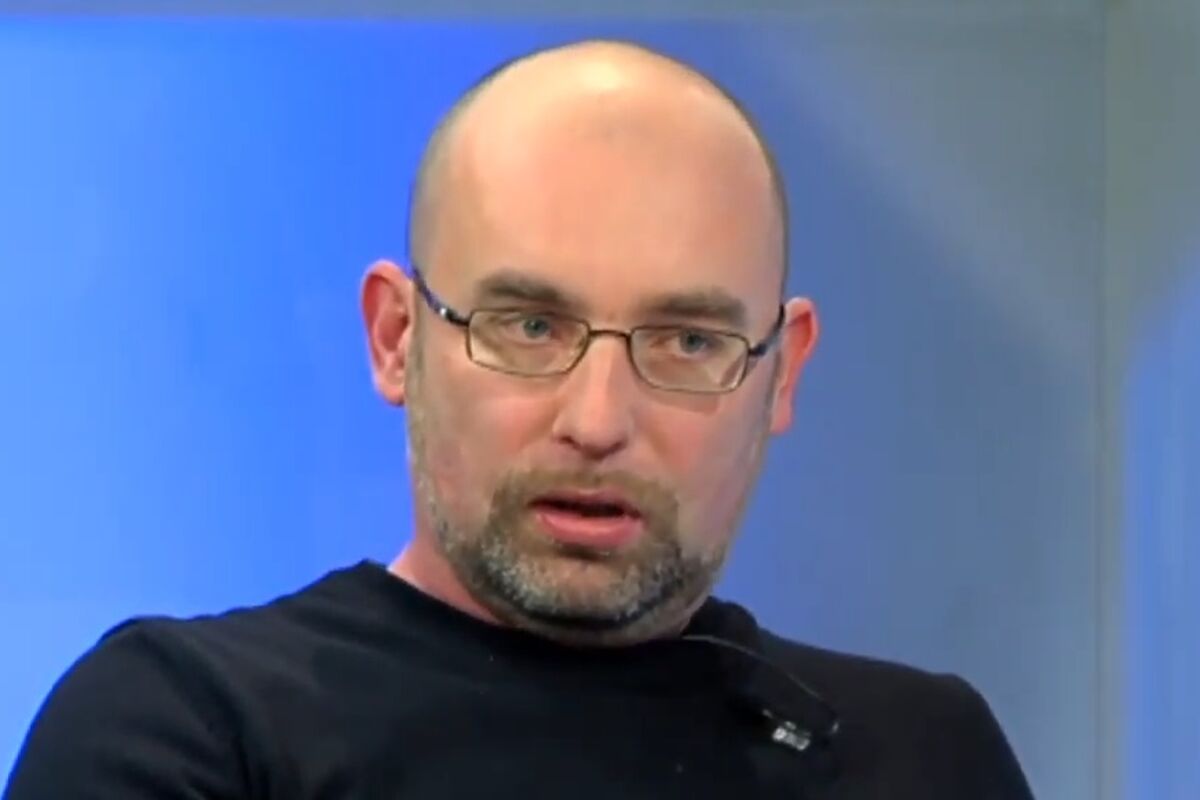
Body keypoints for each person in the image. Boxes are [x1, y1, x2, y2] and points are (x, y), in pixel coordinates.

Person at [3, 39, 1035, 799]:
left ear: (781, 373)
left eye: (686, 340)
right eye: (531, 326)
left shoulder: (920, 756)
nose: (598, 419)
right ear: (395, 337)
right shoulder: (186, 729)